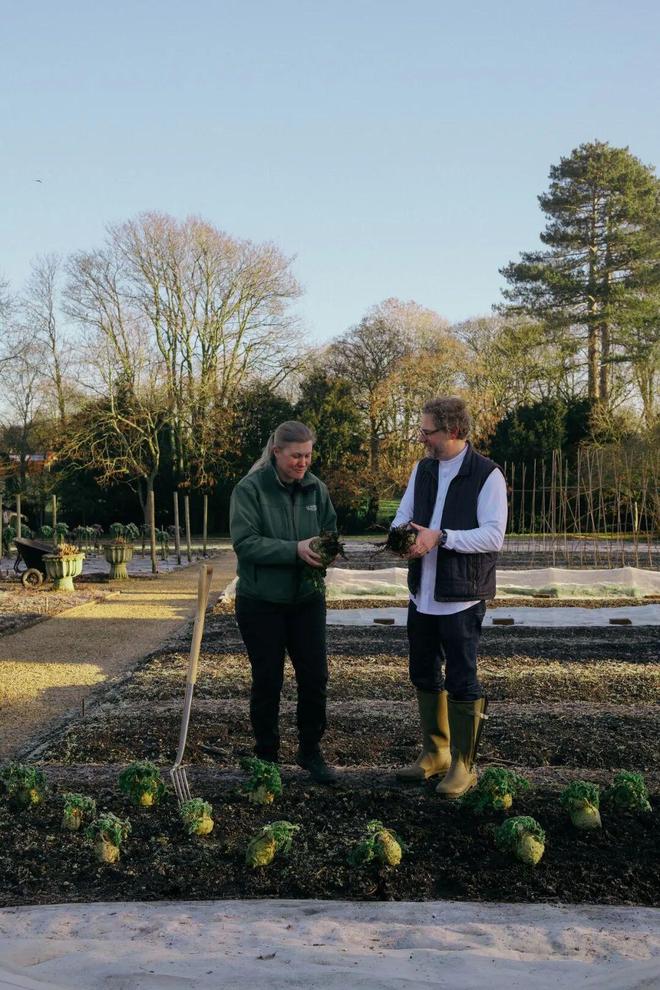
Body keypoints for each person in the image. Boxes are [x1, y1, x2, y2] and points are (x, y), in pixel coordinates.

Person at [392, 396, 507, 798]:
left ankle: (463, 764)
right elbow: (403, 515)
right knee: (423, 672)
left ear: (454, 431)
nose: (422, 438)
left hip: (461, 597)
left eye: (428, 432)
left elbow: (493, 535)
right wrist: (402, 538)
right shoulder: (422, 470)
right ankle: (435, 752)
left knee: (461, 677)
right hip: (421, 594)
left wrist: (441, 537)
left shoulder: (486, 474)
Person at [229, 420, 338, 785]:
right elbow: (246, 543)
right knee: (268, 679)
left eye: (307, 455)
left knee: (315, 677)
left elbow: (329, 531)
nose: (302, 462)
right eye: (295, 456)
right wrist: (294, 550)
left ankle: (310, 750)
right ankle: (267, 755)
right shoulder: (250, 489)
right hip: (261, 601)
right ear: (276, 452)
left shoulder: (316, 489)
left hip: (307, 599)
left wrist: (326, 550)